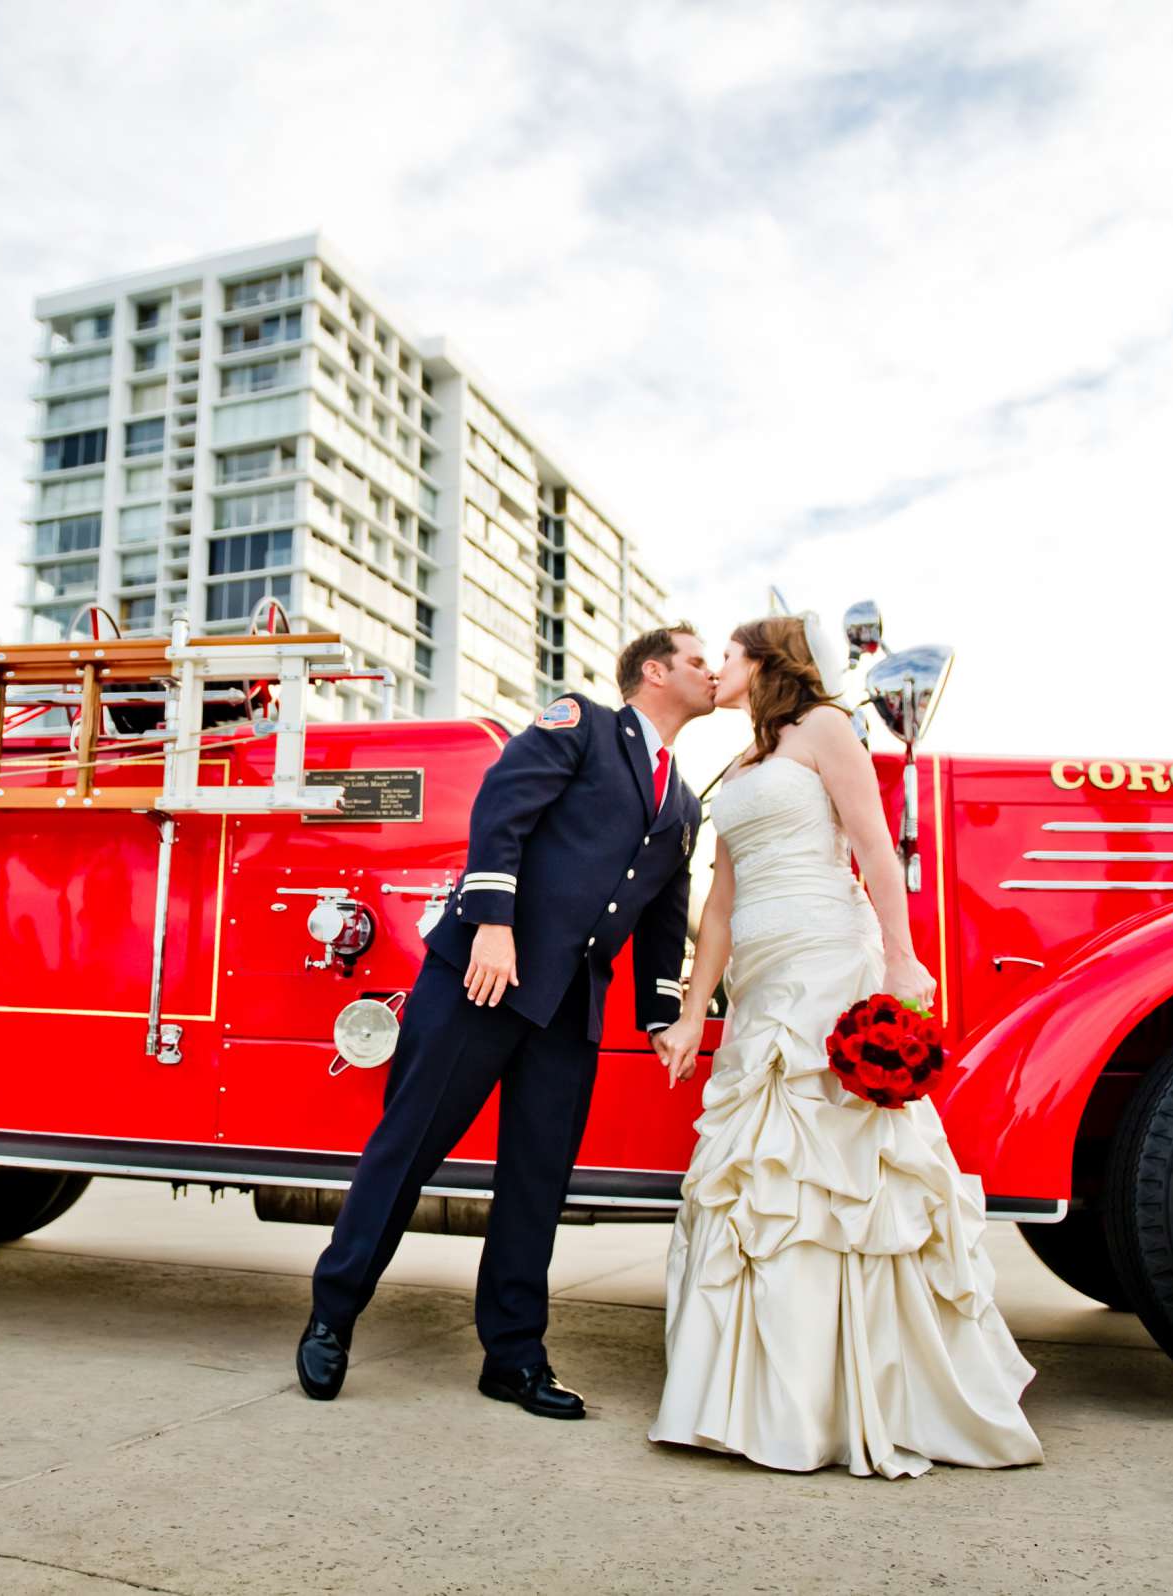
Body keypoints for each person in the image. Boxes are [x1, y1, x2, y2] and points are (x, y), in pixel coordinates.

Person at [648, 614, 1041, 1477]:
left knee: (842, 1162)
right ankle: (757, 1394)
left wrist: (901, 959)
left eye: (731, 655)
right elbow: (717, 905)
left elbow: (872, 848)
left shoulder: (827, 729)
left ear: (766, 661)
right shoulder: (743, 764)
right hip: (758, 978)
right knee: (760, 1172)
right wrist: (688, 1009)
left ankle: (857, 1391)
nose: (718, 667)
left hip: (829, 953)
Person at [298, 625, 716, 1418]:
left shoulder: (684, 802)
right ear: (655, 672)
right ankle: (333, 1314)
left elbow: (662, 913)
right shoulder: (583, 723)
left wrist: (662, 1014)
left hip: (569, 1006)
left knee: (537, 1182)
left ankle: (513, 1358)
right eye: (698, 660)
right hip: (481, 978)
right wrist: (493, 919)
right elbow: (503, 807)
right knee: (408, 1148)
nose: (713, 673)